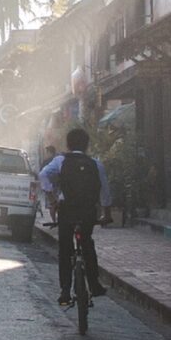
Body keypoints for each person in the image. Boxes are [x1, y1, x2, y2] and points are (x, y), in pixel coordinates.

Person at [39, 128, 112, 306]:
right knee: (87, 243)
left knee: (65, 248)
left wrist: (52, 199)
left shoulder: (61, 160)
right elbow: (105, 191)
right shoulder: (96, 164)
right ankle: (94, 285)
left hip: (67, 211)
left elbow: (43, 175)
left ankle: (65, 291)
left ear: (68, 145)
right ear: (87, 145)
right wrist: (106, 214)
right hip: (88, 212)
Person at [41, 145, 58, 222]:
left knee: (52, 205)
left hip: (49, 187)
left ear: (50, 152)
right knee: (59, 204)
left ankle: (54, 221)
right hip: (58, 186)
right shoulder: (58, 161)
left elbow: (42, 174)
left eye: (47, 152)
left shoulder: (46, 162)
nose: (46, 154)